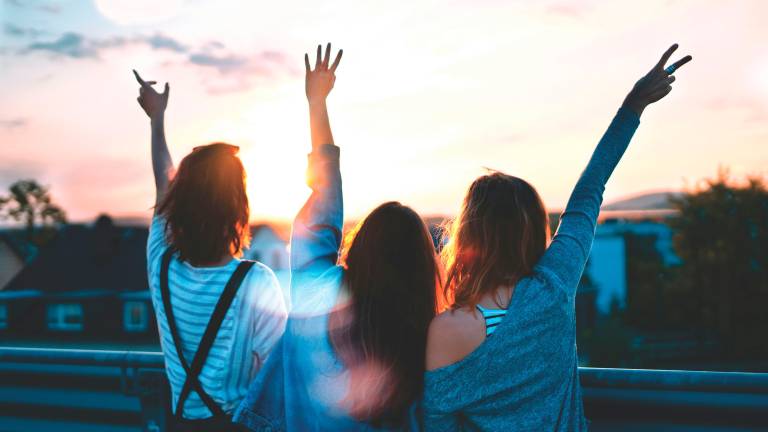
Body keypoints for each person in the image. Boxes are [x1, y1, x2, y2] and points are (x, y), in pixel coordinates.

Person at [423, 44, 692, 430]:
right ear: (532, 230)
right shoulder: (553, 285)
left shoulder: (446, 331)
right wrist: (632, 107)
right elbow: (589, 192)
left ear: (466, 232)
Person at [235, 43, 442, 431]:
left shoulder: (317, 294)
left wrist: (317, 103)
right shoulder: (422, 340)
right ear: (420, 266)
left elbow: (325, 202)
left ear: (361, 246)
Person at [133, 70, 288, 431]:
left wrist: (157, 120)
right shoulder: (256, 283)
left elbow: (163, 186)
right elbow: (277, 377)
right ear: (238, 210)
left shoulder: (161, 264)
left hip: (179, 423)